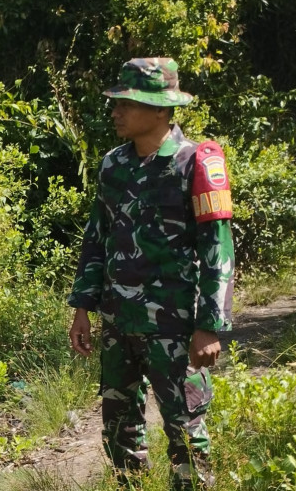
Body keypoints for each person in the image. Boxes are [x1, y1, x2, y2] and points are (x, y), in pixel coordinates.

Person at [68, 58, 235, 490]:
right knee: (119, 431)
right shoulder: (112, 165)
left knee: (186, 433)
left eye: (128, 102)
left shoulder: (195, 161)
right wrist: (83, 307)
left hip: (175, 327)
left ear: (161, 109)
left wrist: (209, 326)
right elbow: (96, 238)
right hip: (119, 322)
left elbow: (217, 249)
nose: (116, 111)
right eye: (117, 102)